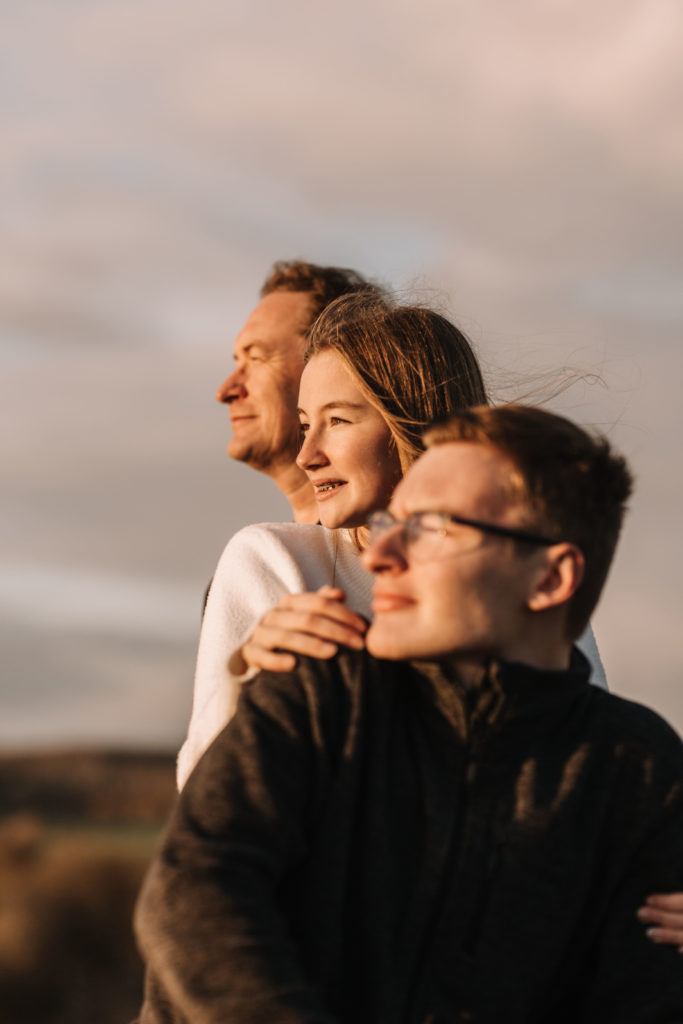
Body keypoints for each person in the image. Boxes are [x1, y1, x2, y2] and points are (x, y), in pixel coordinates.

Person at [135, 404, 683, 1023]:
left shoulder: (639, 772)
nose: (381, 554)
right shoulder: (319, 696)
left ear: (550, 578)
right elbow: (194, 896)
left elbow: (642, 1000)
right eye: (392, 522)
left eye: (430, 527)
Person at [177, 291, 605, 789]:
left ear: (417, 424)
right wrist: (247, 686)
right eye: (303, 426)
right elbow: (205, 796)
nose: (307, 455)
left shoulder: (526, 576)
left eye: (337, 421)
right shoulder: (273, 562)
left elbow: (584, 780)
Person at [216, 260, 382, 523]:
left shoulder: (399, 556)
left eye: (256, 358)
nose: (225, 391)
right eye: (238, 362)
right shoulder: (286, 555)